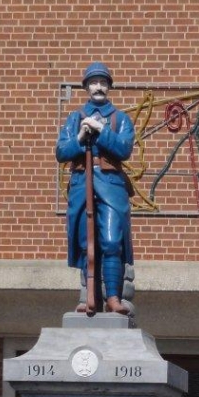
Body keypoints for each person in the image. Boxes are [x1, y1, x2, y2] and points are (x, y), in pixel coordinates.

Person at [56, 62, 135, 314]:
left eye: (103, 82)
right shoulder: (75, 117)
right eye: (93, 82)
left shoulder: (119, 118)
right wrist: (80, 136)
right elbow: (61, 152)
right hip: (82, 182)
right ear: (87, 87)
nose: (98, 87)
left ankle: (113, 297)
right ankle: (87, 295)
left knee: (112, 241)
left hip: (111, 184)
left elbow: (124, 149)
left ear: (109, 87)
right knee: (84, 241)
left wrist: (101, 130)